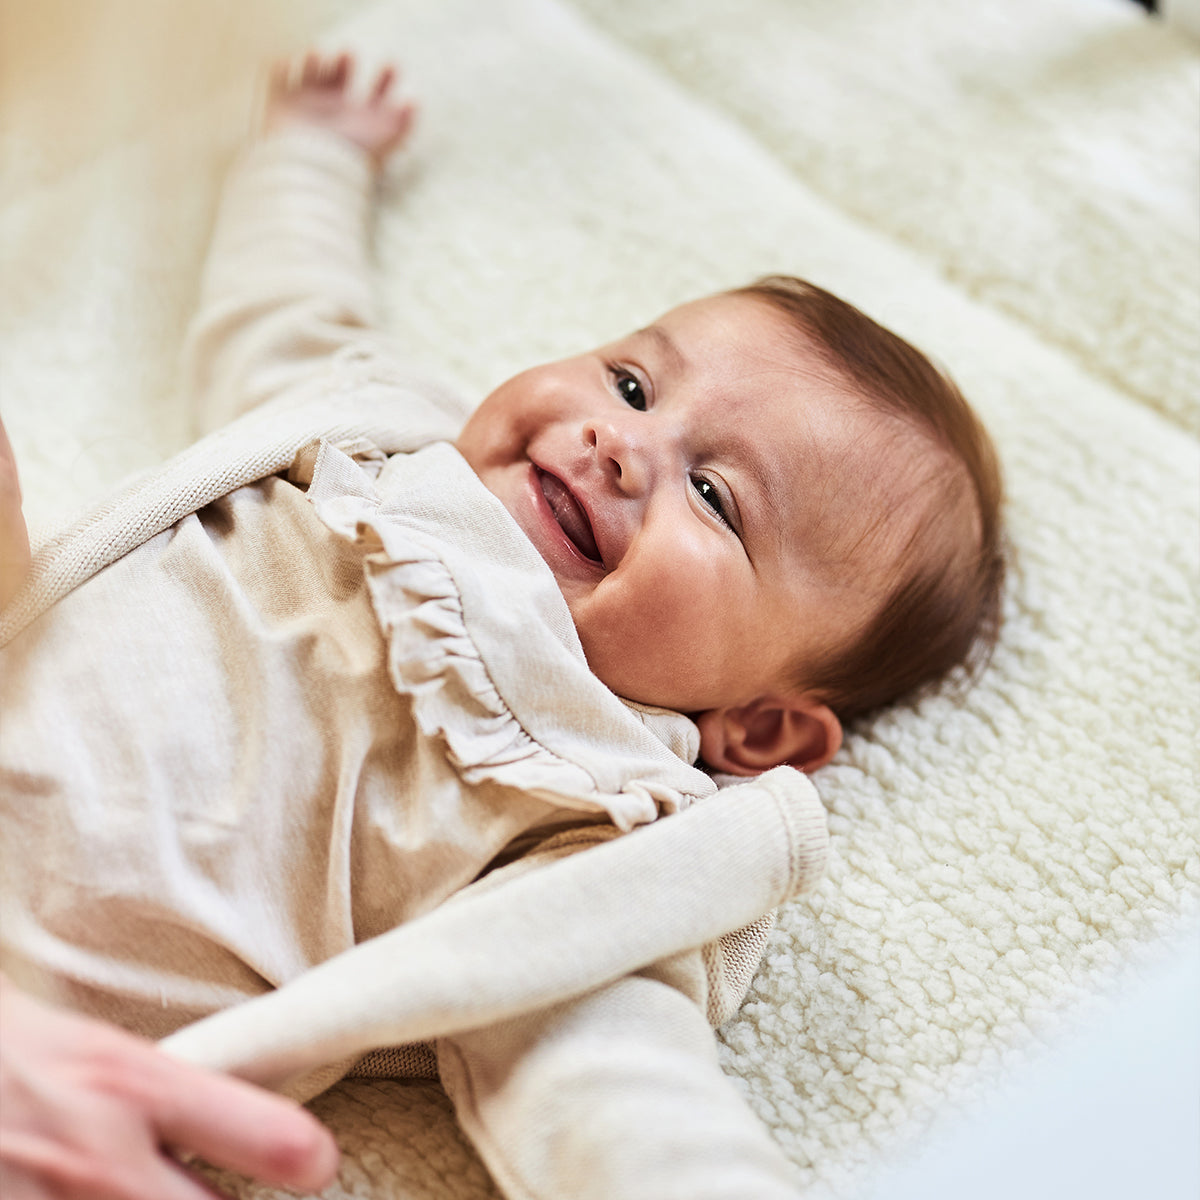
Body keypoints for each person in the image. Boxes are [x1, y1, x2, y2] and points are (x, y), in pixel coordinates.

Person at [0, 52, 1004, 1199]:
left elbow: (614, 1094)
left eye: (717, 498)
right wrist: (311, 159)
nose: (621, 445)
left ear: (765, 728)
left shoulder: (596, 813)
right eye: (633, 384)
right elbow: (284, 314)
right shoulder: (380, 433)